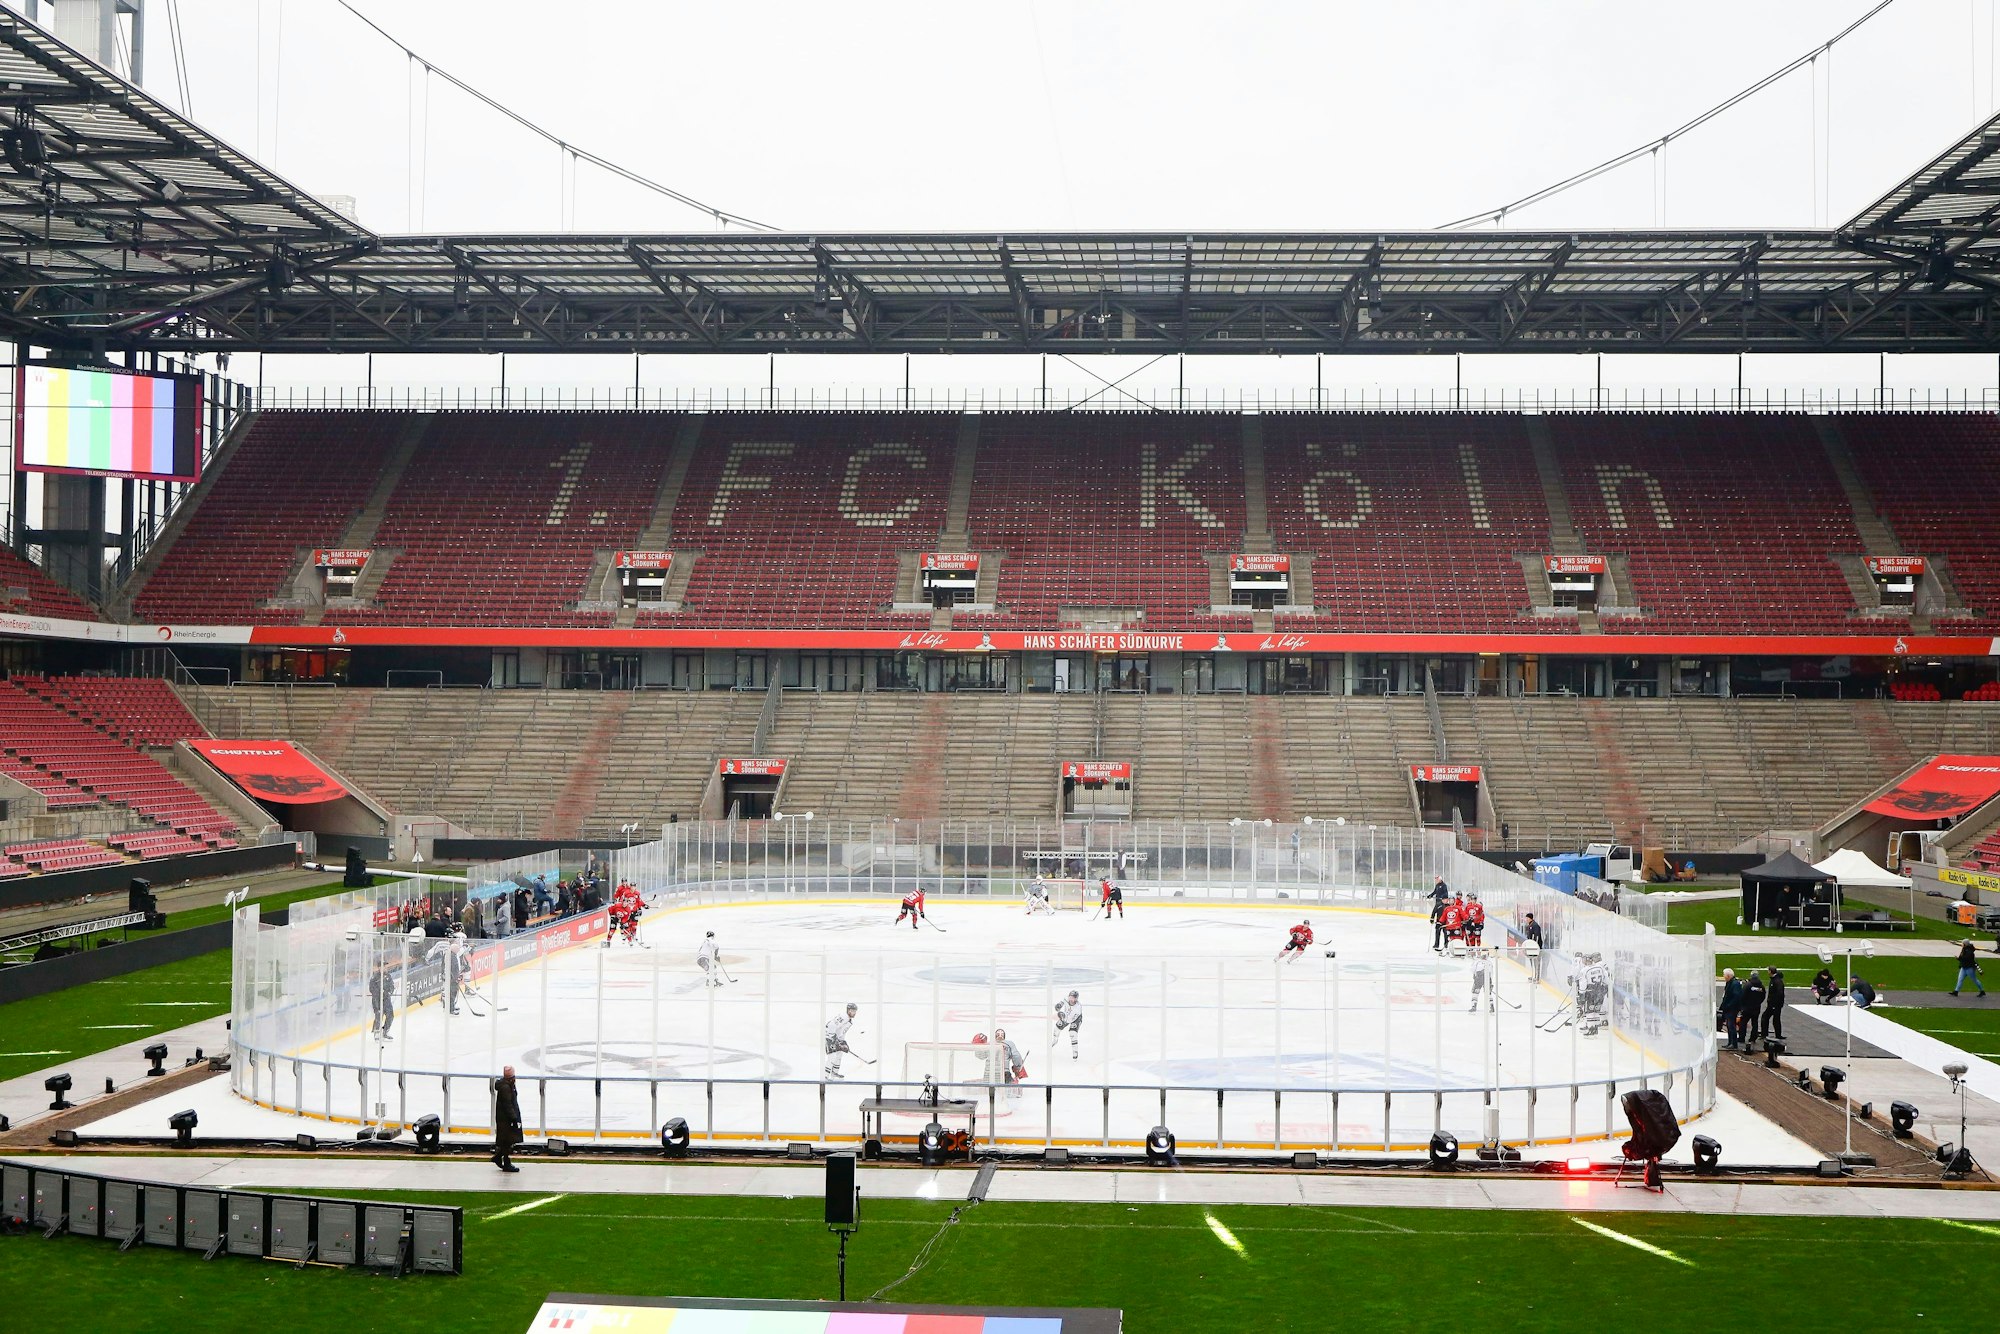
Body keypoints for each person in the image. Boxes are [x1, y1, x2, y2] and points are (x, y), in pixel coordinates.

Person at [426, 929, 471, 1015]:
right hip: (448, 972)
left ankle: (450, 1005)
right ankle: (447, 1006)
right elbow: (432, 952)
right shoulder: (445, 946)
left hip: (452, 972)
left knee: (451, 990)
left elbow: (459, 955)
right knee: (447, 989)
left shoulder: (454, 947)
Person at [492, 1065, 523, 1173]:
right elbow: (508, 1105)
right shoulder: (506, 1087)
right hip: (505, 1120)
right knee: (508, 1141)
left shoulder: (507, 1085)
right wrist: (514, 1118)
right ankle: (505, 1162)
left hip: (504, 1118)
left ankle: (502, 1159)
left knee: (507, 1141)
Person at [824, 1002, 859, 1079]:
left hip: (835, 1037)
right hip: (829, 1036)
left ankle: (834, 1073)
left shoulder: (849, 1021)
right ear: (848, 1010)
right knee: (832, 1056)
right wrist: (832, 1037)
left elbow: (841, 1032)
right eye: (852, 1011)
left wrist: (843, 1042)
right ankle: (825, 1076)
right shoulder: (844, 1017)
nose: (854, 1013)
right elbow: (831, 1025)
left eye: (855, 1011)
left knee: (839, 1054)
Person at [369, 950, 397, 1041]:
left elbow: (392, 986)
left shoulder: (388, 976)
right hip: (377, 1000)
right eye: (384, 966)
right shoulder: (374, 977)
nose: (385, 967)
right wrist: (380, 992)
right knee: (379, 1014)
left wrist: (389, 992)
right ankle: (377, 1032)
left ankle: (385, 1032)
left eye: (385, 966)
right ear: (379, 967)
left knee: (390, 1015)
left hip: (386, 999)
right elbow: (372, 989)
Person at [1054, 990, 1084, 1059]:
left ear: (1076, 999)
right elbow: (1061, 1004)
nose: (1071, 999)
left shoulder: (1077, 1007)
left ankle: (1075, 1052)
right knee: (1057, 1028)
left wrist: (1062, 1016)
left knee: (1072, 1033)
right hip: (1066, 1015)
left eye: (1073, 998)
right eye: (1070, 997)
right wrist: (1058, 1006)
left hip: (1076, 1019)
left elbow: (1070, 1020)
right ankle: (1055, 1040)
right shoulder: (1066, 999)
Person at [1719, 967, 1744, 1049]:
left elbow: (1736, 997)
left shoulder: (1734, 984)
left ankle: (1733, 1043)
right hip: (1729, 1009)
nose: (1724, 977)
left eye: (1724, 975)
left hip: (1732, 1009)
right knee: (1729, 1026)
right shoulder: (1731, 983)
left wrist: (1729, 1005)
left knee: (1731, 1026)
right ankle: (1730, 1042)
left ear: (1728, 976)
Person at [1741, 970, 1765, 1046]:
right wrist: (1758, 1003)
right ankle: (1753, 1038)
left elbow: (1743, 996)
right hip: (1756, 1007)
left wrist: (1743, 1005)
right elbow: (1763, 996)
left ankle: (1742, 1037)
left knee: (1743, 1022)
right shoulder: (1761, 986)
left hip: (1747, 1008)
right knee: (1755, 1023)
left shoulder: (1748, 985)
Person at [1761, 966, 1786, 1040]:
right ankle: (1777, 1034)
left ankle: (1765, 1034)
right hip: (1775, 1004)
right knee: (1775, 1019)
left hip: (1774, 1004)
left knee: (1766, 1017)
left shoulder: (1776, 981)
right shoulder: (1776, 980)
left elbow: (1779, 993)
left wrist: (1774, 1004)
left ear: (1770, 971)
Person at [1522, 912, 1544, 980]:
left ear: (1530, 918)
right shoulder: (1530, 925)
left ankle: (1537, 977)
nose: (1526, 919)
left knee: (1536, 962)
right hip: (1530, 947)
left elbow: (1537, 937)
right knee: (1532, 962)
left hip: (1535, 948)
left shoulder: (1535, 926)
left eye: (1527, 918)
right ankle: (1533, 975)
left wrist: (1535, 946)